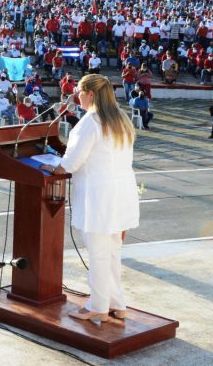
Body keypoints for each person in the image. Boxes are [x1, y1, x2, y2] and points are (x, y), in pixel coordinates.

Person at [38, 74, 138, 325]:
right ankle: (117, 303)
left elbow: (71, 163)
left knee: (98, 253)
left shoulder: (90, 122)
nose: (76, 96)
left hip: (99, 195)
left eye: (79, 91)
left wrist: (50, 166)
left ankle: (98, 306)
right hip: (121, 192)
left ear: (90, 94)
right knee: (113, 251)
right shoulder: (121, 118)